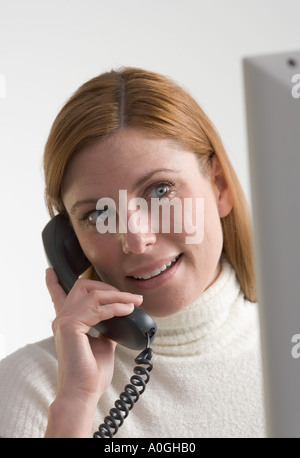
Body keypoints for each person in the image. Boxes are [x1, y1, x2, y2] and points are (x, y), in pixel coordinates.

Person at [0, 68, 266, 438]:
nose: (137, 240)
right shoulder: (28, 388)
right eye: (99, 214)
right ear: (70, 243)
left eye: (160, 191)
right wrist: (76, 404)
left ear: (219, 186)